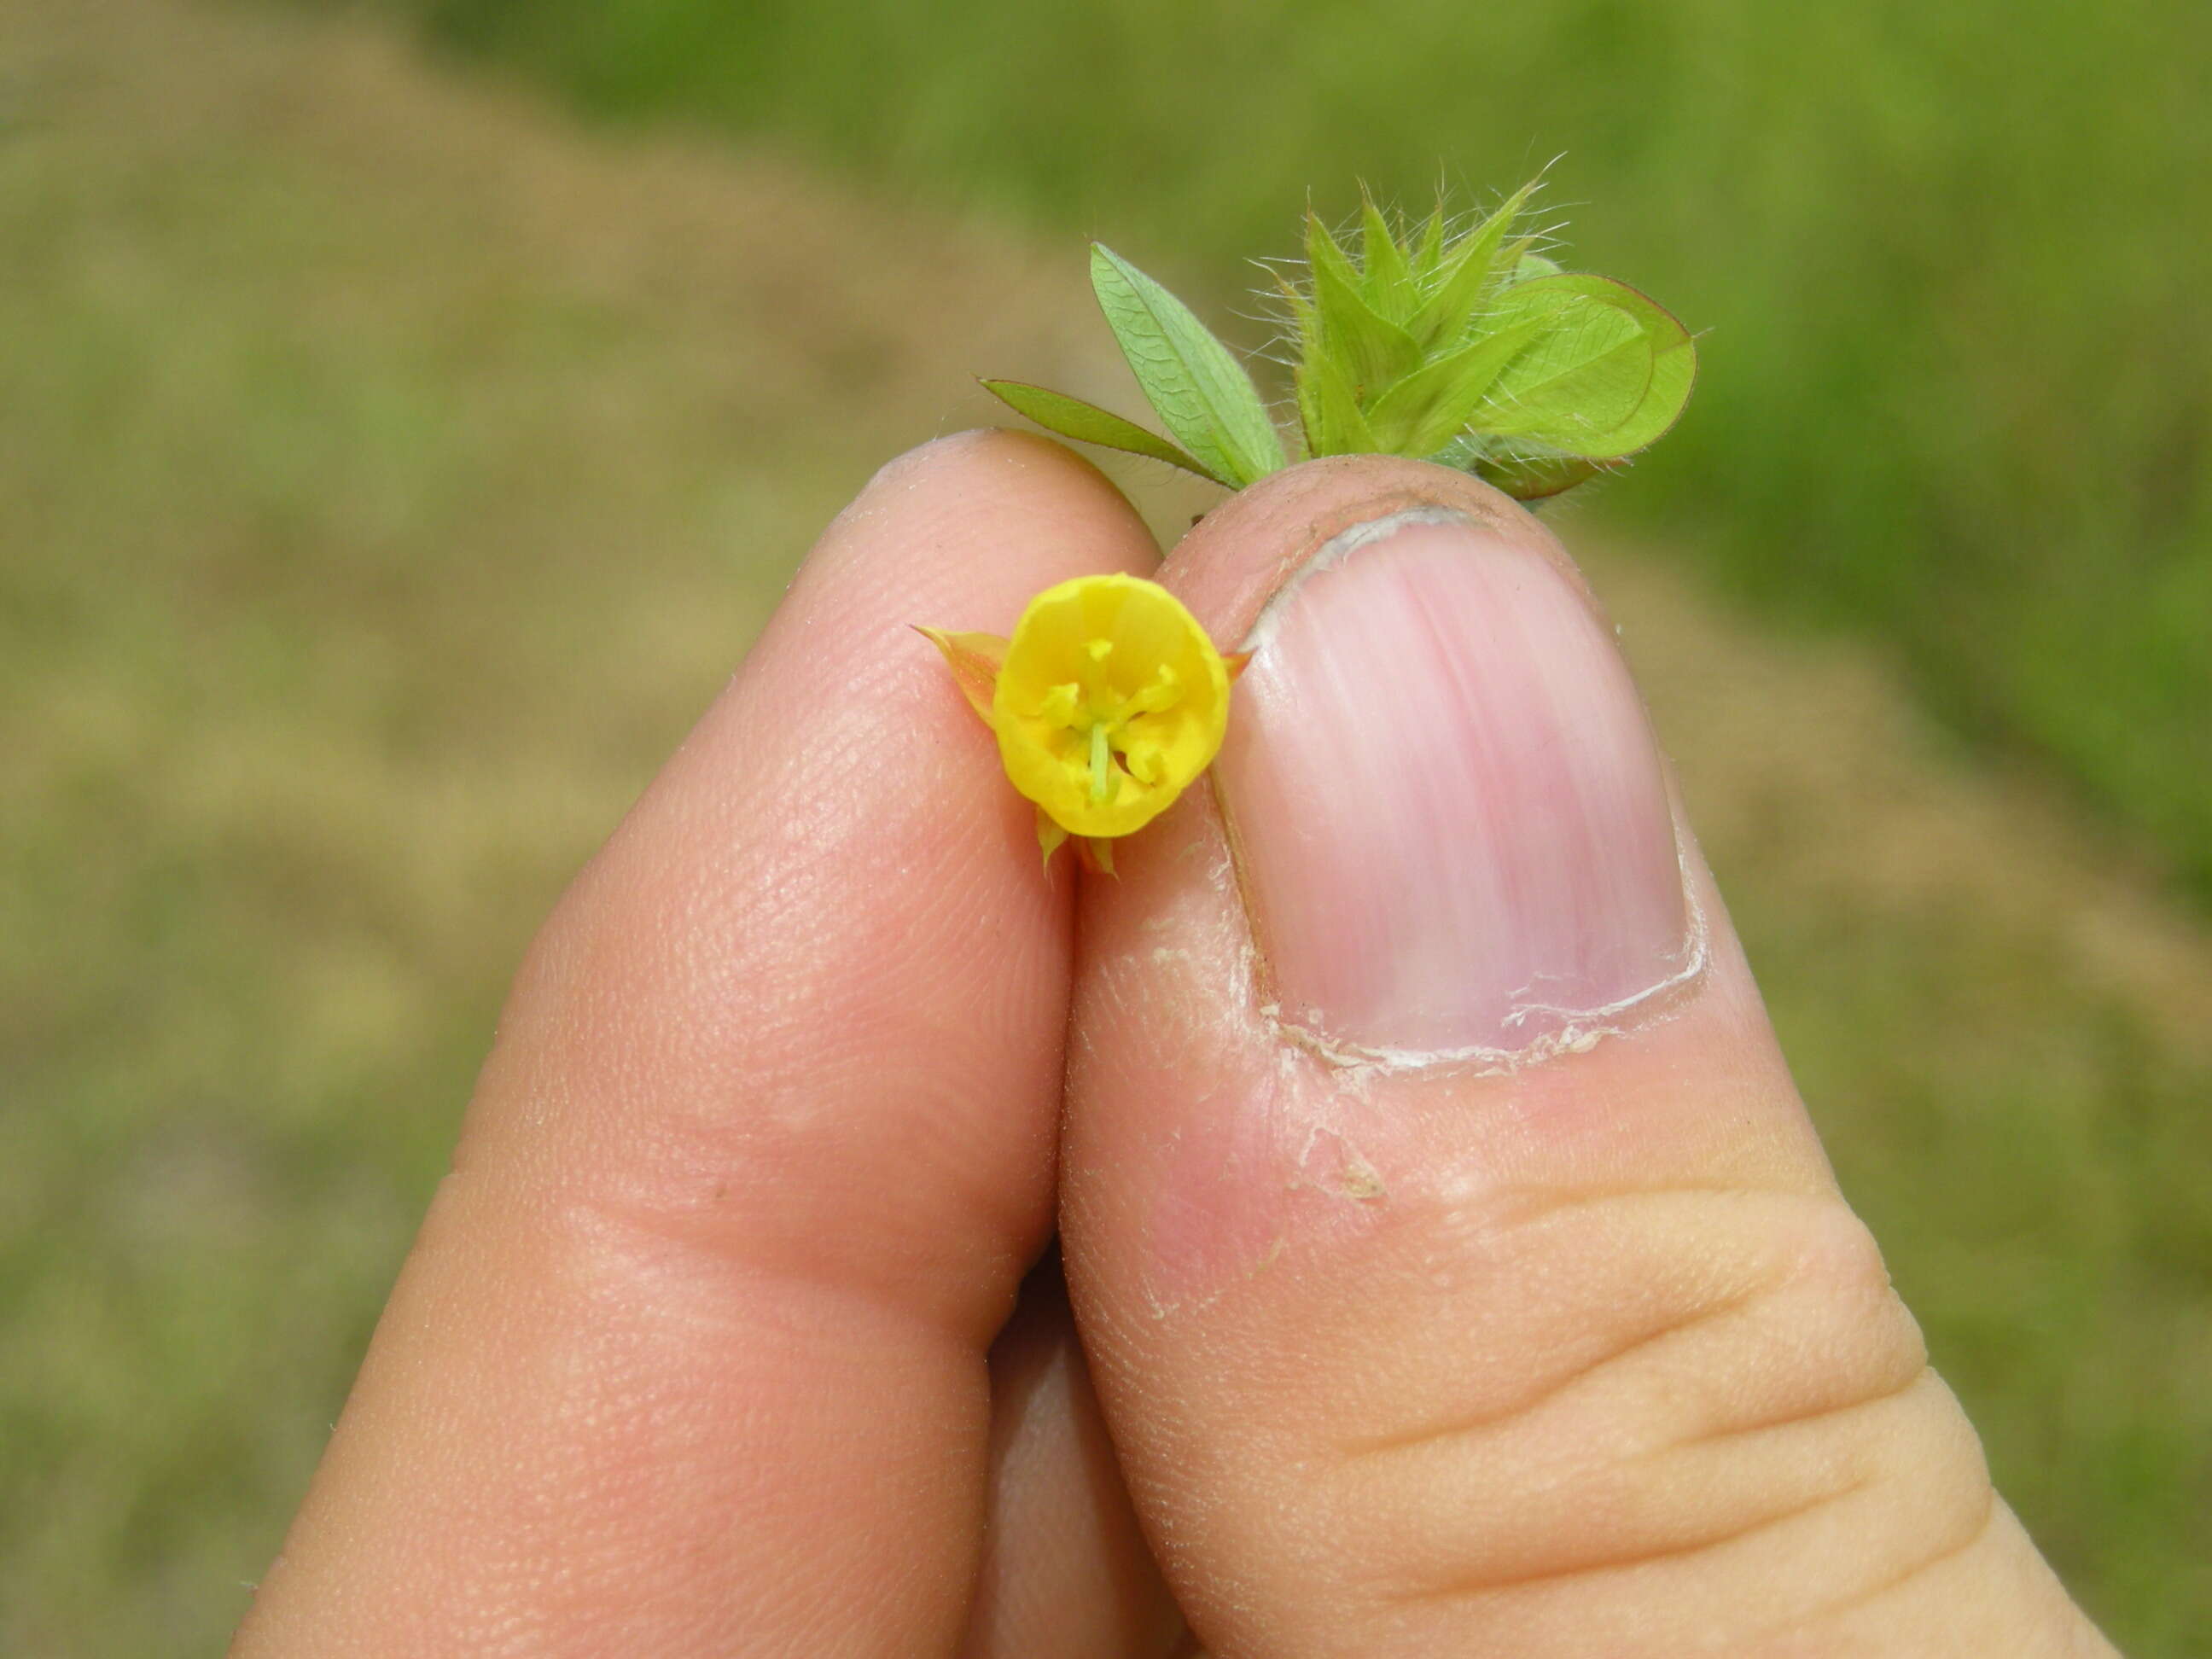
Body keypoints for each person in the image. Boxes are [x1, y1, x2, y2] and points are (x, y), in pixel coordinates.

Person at [228, 434, 2116, 1656]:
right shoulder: (1086, 709)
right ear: (1029, 695)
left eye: (1118, 704)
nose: (1105, 708)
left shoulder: (1137, 696)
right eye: (1077, 707)